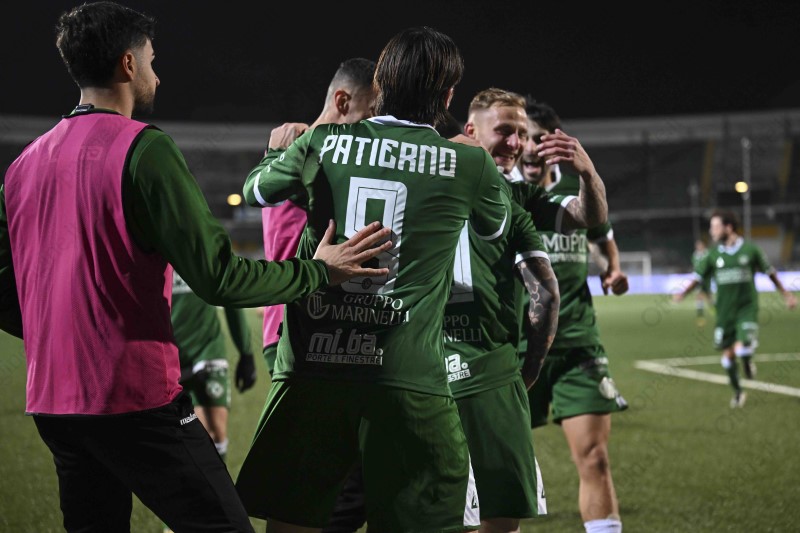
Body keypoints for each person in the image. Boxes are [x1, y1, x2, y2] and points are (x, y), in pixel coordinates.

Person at [0, 3, 390, 532]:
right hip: (131, 396)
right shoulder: (144, 149)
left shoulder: (24, 163)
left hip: (51, 400)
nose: (157, 75)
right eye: (152, 60)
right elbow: (220, 276)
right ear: (128, 63)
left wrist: (54, 337)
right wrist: (319, 270)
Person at [235, 26, 512, 533]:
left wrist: (276, 151)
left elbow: (255, 191)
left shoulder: (322, 141)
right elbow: (495, 227)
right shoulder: (470, 162)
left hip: (314, 367)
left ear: (382, 82)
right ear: (447, 96)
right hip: (408, 376)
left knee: (294, 521)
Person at [512, 99, 629, 533]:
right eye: (522, 137)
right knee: (499, 468)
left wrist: (613, 269)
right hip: (512, 351)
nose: (530, 147)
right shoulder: (498, 194)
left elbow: (602, 234)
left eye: (539, 139)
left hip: (577, 346)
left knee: (595, 458)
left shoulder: (575, 197)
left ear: (555, 145)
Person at [260, 57, 377, 376]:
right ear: (343, 102)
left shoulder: (292, 150)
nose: (375, 125)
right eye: (371, 113)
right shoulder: (303, 153)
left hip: (330, 319)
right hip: (294, 322)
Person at [673, 210, 797, 407]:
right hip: (724, 312)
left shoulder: (751, 250)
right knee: (728, 356)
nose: (712, 231)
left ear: (728, 227)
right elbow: (697, 278)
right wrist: (682, 294)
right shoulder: (712, 255)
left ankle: (746, 362)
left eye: (715, 227)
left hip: (746, 308)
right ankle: (738, 392)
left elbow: (770, 273)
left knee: (743, 347)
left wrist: (786, 294)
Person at [171, 270, 257, 462]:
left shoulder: (206, 253)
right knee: (188, 436)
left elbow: (229, 294)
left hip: (208, 348)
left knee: (215, 431)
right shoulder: (153, 254)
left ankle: (218, 481)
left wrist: (246, 352)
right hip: (169, 355)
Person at [691, 238, 715, 326]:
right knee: (699, 296)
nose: (698, 246)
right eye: (697, 245)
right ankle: (700, 316)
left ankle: (714, 309)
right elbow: (695, 266)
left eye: (700, 245)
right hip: (698, 278)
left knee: (708, 296)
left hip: (707, 278)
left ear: (703, 245)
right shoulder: (694, 255)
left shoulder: (707, 254)